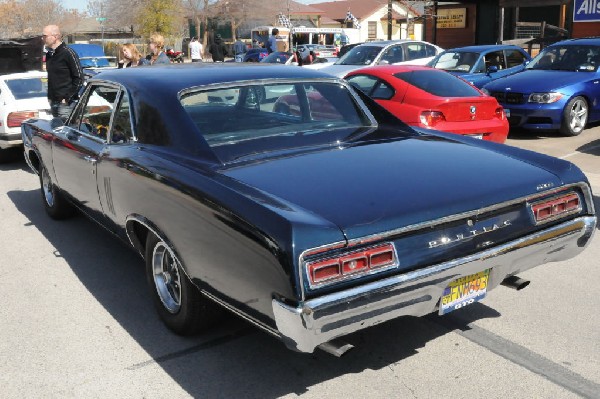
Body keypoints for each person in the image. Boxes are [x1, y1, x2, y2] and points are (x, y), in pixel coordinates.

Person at [42, 24, 84, 121]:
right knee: (57, 132)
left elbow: (79, 78)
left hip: (66, 103)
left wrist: (67, 97)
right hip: (54, 101)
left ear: (55, 36)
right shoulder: (49, 54)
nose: (42, 39)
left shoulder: (68, 53)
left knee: (65, 133)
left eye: (45, 36)